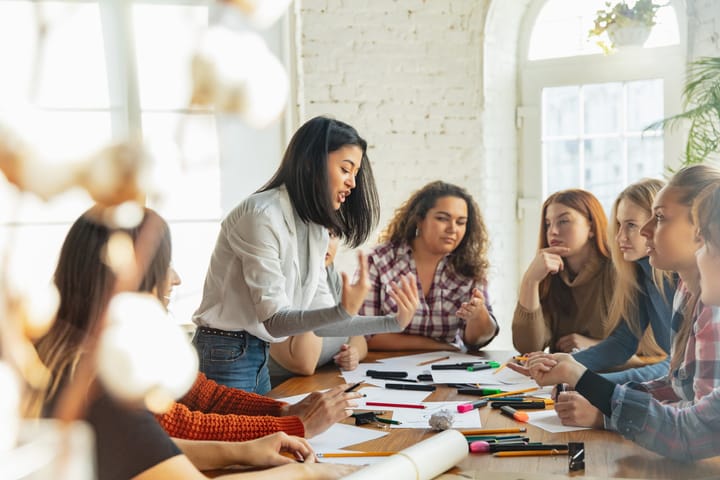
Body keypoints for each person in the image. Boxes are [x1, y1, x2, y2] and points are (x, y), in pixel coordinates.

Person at [31, 207, 355, 479]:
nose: (175, 278)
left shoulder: (76, 351)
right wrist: (304, 472)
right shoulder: (99, 379)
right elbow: (172, 432)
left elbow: (157, 442)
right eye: (164, 265)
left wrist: (252, 441)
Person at [192, 116, 419, 393]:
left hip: (255, 351)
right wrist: (342, 309)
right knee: (239, 437)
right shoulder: (261, 215)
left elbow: (322, 325)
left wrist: (393, 322)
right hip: (224, 350)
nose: (353, 184)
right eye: (346, 170)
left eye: (356, 174)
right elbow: (276, 322)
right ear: (312, 163)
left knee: (267, 435)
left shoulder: (316, 229)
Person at [519, 167, 720, 461]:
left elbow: (694, 430)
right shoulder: (686, 293)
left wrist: (597, 395)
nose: (643, 231)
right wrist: (592, 386)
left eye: (660, 218)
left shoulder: (710, 311)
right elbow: (677, 384)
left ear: (701, 234)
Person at [360, 181, 498, 351]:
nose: (452, 229)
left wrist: (478, 315)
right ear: (419, 220)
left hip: (446, 370)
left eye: (461, 222)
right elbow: (365, 335)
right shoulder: (379, 261)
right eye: (442, 219)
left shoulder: (469, 268)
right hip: (384, 368)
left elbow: (477, 341)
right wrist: (439, 346)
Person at [572, 178, 676, 384]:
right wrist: (562, 363)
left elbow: (678, 367)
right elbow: (622, 344)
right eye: (619, 224)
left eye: (631, 225)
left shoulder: (686, 279)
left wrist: (588, 382)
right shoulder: (642, 274)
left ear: (658, 224)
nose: (619, 237)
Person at [512, 189, 614, 354]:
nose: (553, 231)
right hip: (560, 377)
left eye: (563, 221)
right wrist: (530, 282)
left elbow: (651, 354)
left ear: (592, 227)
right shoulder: (548, 273)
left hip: (610, 378)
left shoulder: (618, 272)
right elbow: (527, 347)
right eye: (548, 224)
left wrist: (594, 347)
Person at [268, 229, 368, 385]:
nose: (325, 242)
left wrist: (353, 354)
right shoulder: (278, 281)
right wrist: (312, 276)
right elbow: (305, 363)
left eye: (332, 235)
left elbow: (358, 337)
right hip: (282, 394)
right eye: (317, 233)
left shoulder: (330, 274)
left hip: (322, 385)